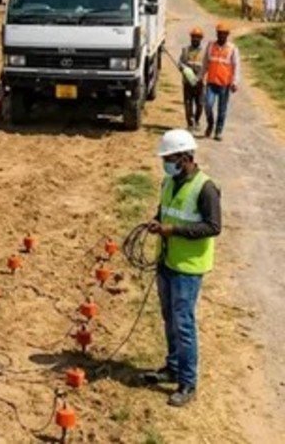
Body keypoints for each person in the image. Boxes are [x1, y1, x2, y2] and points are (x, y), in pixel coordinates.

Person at [142, 129, 221, 408]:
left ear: (185, 157)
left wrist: (172, 230)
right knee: (169, 317)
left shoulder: (206, 188)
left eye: (169, 158)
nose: (166, 163)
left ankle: (187, 382)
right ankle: (173, 367)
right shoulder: (168, 181)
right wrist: (156, 221)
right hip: (166, 260)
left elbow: (213, 227)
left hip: (188, 268)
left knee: (183, 323)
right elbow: (164, 210)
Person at [201, 21, 241, 141]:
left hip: (225, 83)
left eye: (224, 33)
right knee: (208, 104)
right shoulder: (210, 46)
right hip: (211, 82)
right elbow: (205, 63)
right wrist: (200, 77)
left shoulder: (232, 49)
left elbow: (236, 66)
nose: (221, 35)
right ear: (216, 33)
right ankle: (210, 124)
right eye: (219, 33)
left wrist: (235, 82)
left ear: (227, 35)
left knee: (222, 109)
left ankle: (218, 131)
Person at [178, 28, 206, 130]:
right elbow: (180, 63)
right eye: (193, 37)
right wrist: (183, 68)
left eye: (197, 37)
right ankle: (190, 124)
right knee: (188, 103)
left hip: (200, 83)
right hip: (187, 82)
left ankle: (197, 121)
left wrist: (198, 78)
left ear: (201, 39)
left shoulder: (204, 52)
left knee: (200, 104)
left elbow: (206, 67)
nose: (195, 39)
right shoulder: (185, 50)